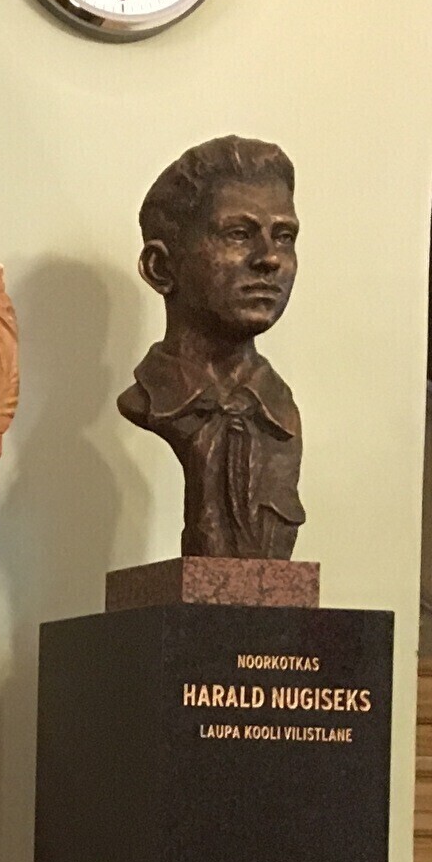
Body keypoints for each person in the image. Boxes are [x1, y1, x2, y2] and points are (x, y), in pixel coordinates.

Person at [117, 134, 306, 559]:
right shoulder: (147, 401)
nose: (269, 258)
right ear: (161, 267)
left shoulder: (280, 415)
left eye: (284, 236)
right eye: (238, 234)